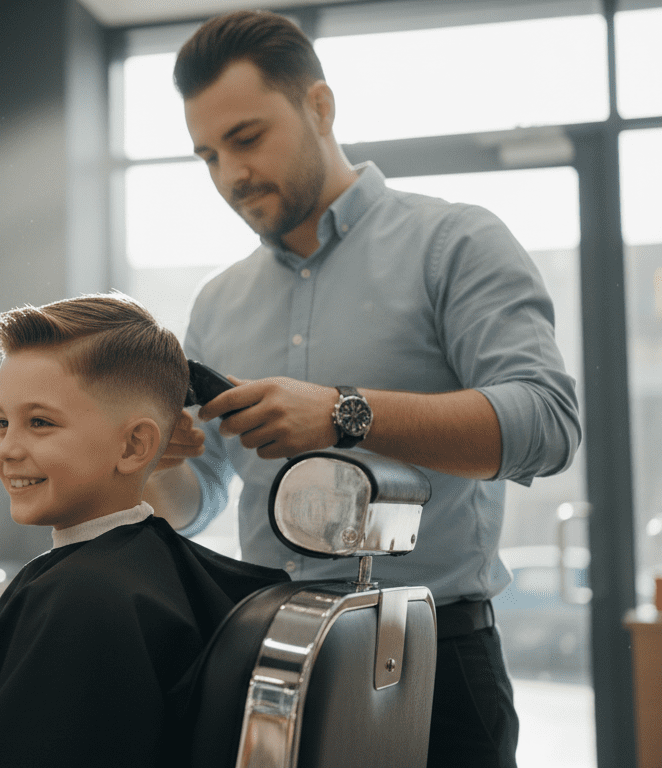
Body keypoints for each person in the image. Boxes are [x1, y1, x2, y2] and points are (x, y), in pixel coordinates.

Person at [143, 11, 581, 768]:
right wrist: (157, 461)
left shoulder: (455, 243)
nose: (230, 176)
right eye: (208, 156)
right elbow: (200, 497)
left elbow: (547, 425)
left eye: (247, 139)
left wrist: (345, 415)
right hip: (271, 656)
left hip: (436, 656)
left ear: (320, 106)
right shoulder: (216, 303)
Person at [0, 293, 287, 768]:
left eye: (40, 423)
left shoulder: (86, 596)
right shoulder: (134, 579)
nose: (7, 450)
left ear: (135, 445)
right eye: (2, 423)